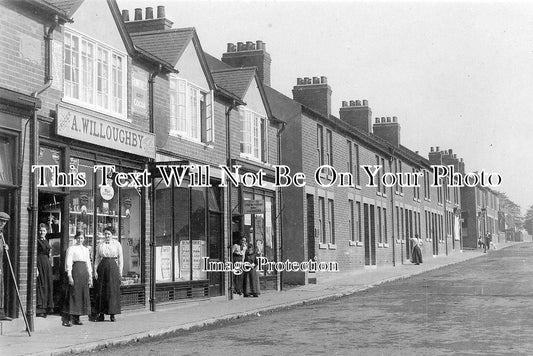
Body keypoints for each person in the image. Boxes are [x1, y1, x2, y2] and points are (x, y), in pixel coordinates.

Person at [63, 231, 92, 327]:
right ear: (75, 238)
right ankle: (68, 319)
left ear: (84, 239)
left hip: (84, 274)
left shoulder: (86, 249)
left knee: (81, 295)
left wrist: (90, 276)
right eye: (78, 238)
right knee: (73, 294)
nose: (80, 240)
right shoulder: (71, 249)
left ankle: (77, 318)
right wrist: (69, 275)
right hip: (75, 272)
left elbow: (88, 263)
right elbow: (68, 262)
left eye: (82, 238)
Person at [94, 226, 123, 322]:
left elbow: (120, 259)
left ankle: (112, 314)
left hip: (113, 267)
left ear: (112, 235)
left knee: (111, 290)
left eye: (108, 234)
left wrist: (120, 272)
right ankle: (101, 314)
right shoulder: (100, 244)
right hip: (102, 267)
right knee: (102, 290)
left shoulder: (117, 244)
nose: (107, 235)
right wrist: (95, 270)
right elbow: (97, 258)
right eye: (105, 234)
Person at [36, 223, 54, 317]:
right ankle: (40, 309)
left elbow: (49, 254)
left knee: (47, 285)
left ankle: (47, 307)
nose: (41, 232)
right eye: (40, 230)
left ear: (46, 232)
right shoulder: (37, 241)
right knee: (41, 285)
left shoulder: (46, 241)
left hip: (46, 265)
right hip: (39, 263)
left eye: (43, 231)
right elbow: (34, 255)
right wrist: (36, 268)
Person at [0, 212, 10, 320]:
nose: (2, 224)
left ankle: (1, 314)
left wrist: (5, 246)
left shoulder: (1, 234)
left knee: (1, 288)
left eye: (4, 222)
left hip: (0, 266)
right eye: (1, 221)